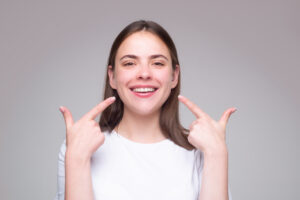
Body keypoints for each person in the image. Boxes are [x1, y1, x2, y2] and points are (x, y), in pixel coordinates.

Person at [54, 20, 236, 200]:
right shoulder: (79, 147)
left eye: (157, 63)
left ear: (174, 76)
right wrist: (77, 158)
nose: (144, 73)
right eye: (129, 63)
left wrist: (217, 153)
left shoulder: (202, 151)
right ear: (112, 77)